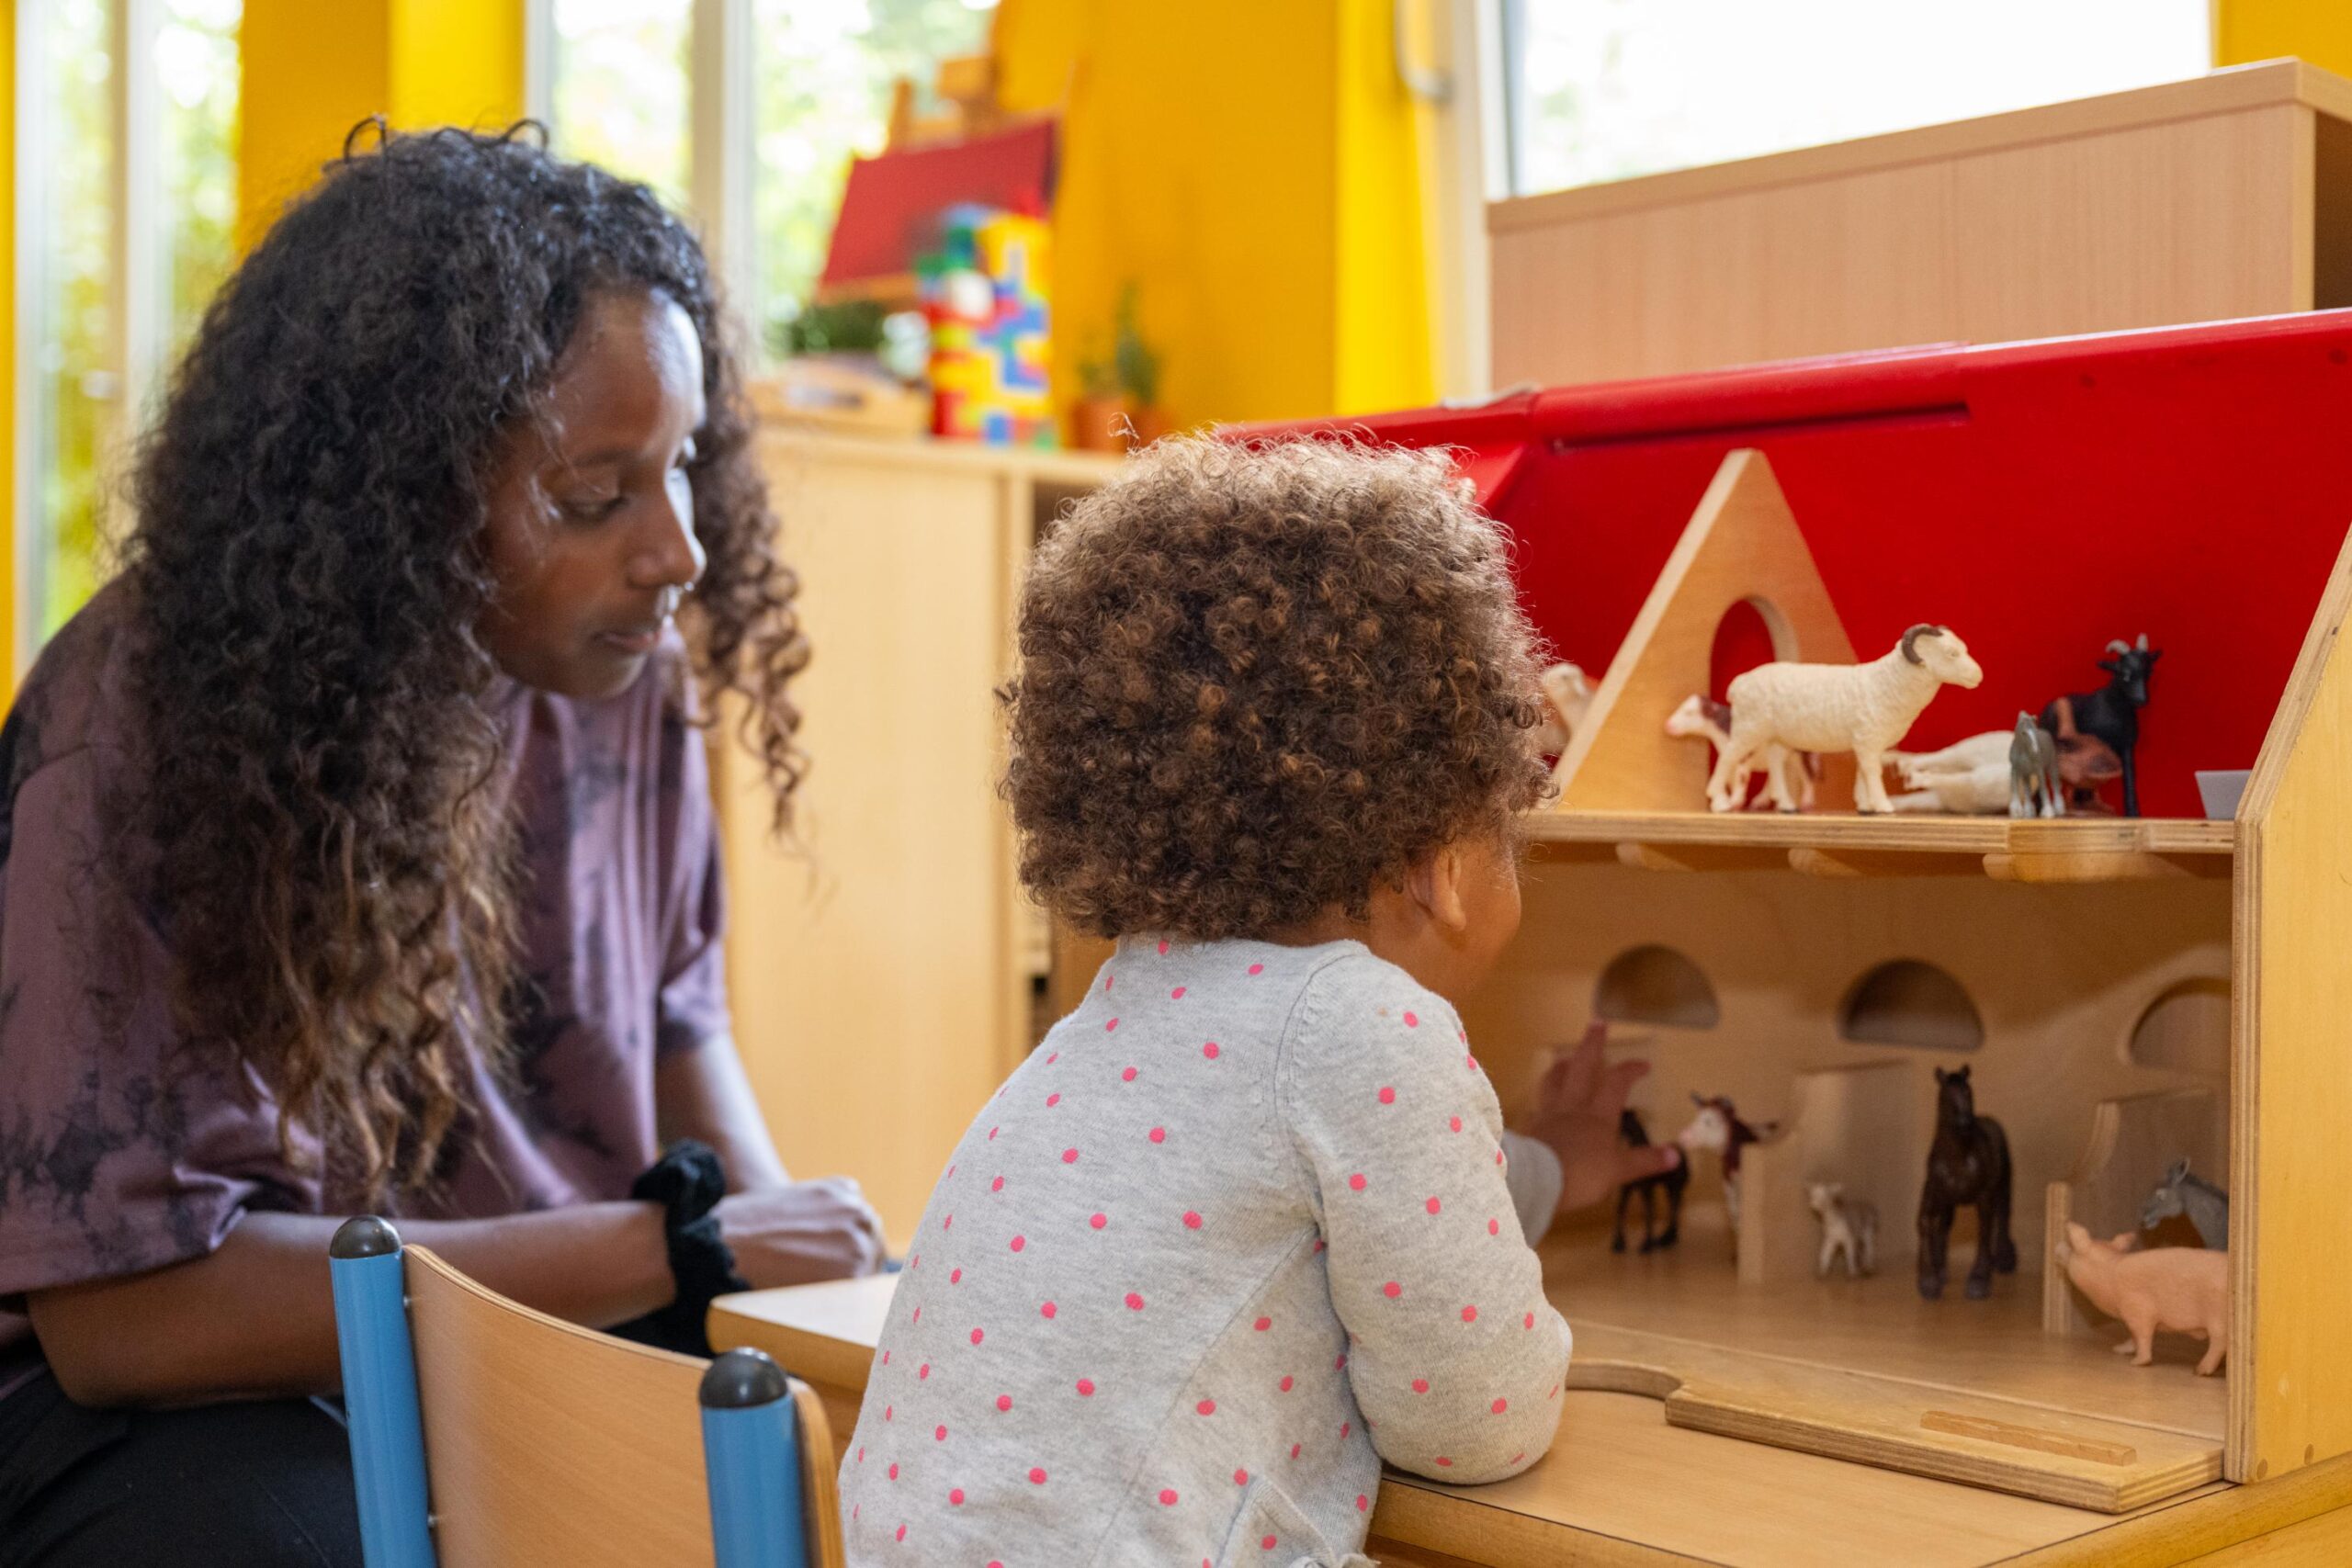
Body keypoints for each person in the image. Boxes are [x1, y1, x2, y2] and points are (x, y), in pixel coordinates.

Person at [0, 125, 885, 1567]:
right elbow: (126, 1319)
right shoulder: (149, 721)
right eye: (594, 496)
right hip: (194, 1399)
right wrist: (679, 1245)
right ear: (395, 497)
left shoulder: (621, 667)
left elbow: (674, 1023)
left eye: (682, 471)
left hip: (555, 1324)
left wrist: (808, 1322)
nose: (678, 553)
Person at [837, 435, 1678, 1565]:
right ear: (1438, 865)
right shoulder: (1368, 1026)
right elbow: (1476, 1419)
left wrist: (1556, 1164)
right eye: (1509, 827)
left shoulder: (1131, 1011)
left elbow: (1311, 1210)